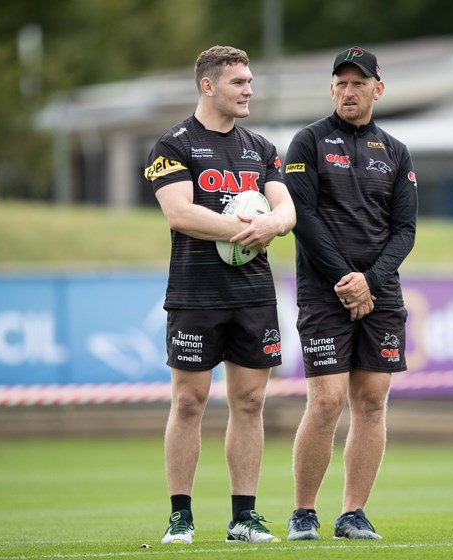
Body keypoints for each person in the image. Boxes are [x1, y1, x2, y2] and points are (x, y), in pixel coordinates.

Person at [143, 45, 295, 545]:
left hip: (253, 295)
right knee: (189, 401)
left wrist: (271, 223)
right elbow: (180, 214)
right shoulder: (174, 144)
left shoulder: (262, 148)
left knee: (250, 401)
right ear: (208, 86)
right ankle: (181, 517)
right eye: (238, 82)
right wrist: (240, 228)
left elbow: (286, 211)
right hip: (195, 294)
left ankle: (244, 518)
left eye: (250, 81)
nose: (249, 89)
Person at [282, 46, 418, 541]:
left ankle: (353, 513)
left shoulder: (396, 152)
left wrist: (371, 282)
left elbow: (405, 230)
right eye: (340, 82)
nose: (348, 91)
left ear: (377, 89)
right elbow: (304, 220)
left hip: (379, 293)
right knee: (325, 401)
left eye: (358, 83)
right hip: (325, 293)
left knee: (373, 401)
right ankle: (303, 513)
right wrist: (347, 280)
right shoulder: (307, 143)